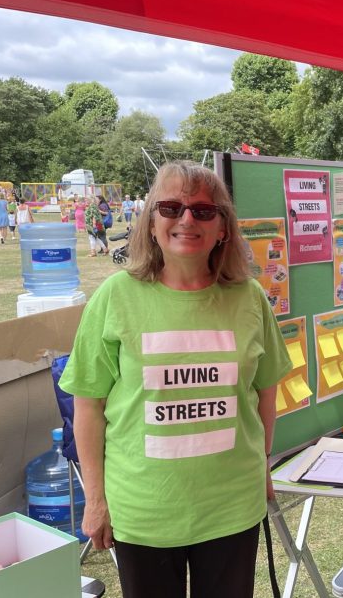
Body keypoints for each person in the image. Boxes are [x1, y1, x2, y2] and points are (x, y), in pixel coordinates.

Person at [58, 162, 288, 598]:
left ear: (223, 227)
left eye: (204, 211)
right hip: (145, 511)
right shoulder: (116, 296)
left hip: (231, 507)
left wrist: (262, 465)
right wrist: (96, 501)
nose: (186, 219)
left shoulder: (250, 298)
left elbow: (266, 390)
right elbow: (88, 405)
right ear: (150, 221)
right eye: (170, 207)